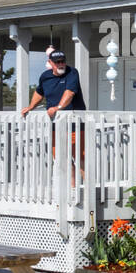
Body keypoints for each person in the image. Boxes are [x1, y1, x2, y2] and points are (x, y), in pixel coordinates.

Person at [22, 47, 87, 178]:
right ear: (50, 63)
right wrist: (30, 107)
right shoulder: (45, 76)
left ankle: (87, 189)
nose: (61, 64)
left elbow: (69, 93)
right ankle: (72, 188)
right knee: (61, 157)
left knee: (80, 156)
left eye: (63, 61)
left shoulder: (72, 72)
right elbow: (39, 93)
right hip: (55, 125)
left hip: (75, 124)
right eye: (57, 62)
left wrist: (58, 108)